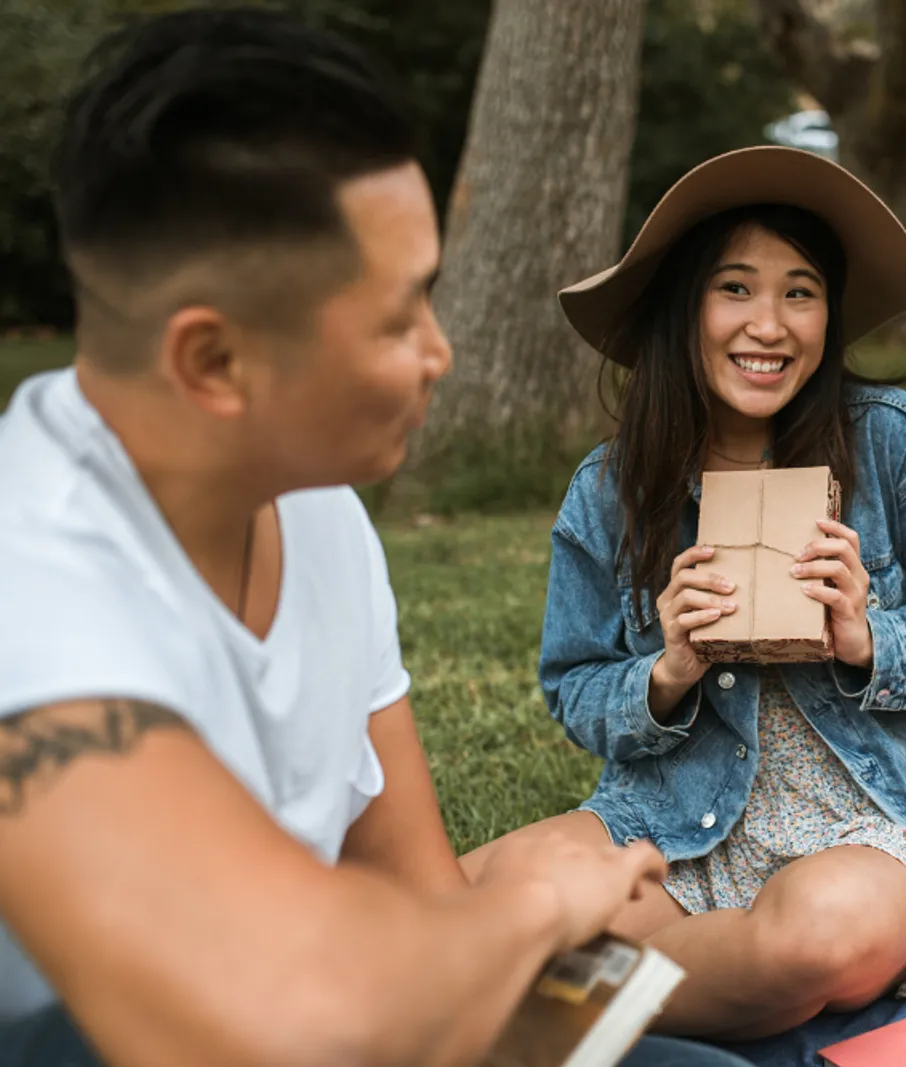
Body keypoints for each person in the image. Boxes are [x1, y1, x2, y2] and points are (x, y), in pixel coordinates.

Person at [0, 9, 753, 1067]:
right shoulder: (30, 585)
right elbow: (287, 1008)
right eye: (400, 321)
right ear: (214, 362)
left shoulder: (316, 510)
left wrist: (523, 972)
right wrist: (542, 900)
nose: (439, 354)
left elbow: (418, 896)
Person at [491, 146, 906, 1040]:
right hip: (675, 818)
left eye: (800, 292)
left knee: (809, 944)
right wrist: (665, 669)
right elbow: (574, 686)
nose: (768, 324)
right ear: (683, 305)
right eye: (735, 288)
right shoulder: (611, 487)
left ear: (828, 314)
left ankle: (534, 1004)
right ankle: (615, 981)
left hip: (865, 818)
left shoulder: (894, 443)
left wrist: (867, 634)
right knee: (477, 890)